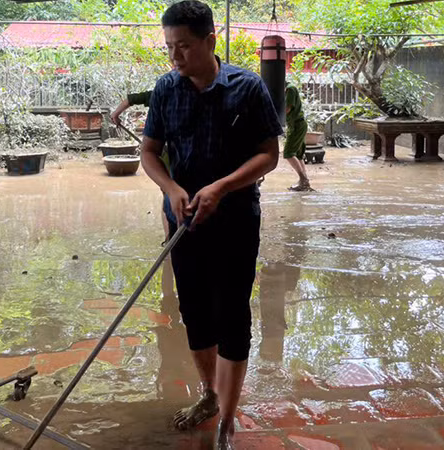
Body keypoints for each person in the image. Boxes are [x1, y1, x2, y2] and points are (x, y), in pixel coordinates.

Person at [140, 2, 282, 449]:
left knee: (232, 315)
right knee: (195, 313)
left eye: (183, 46)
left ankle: (228, 417)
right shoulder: (166, 88)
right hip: (184, 222)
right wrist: (170, 188)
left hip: (236, 220)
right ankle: (209, 395)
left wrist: (221, 187)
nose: (175, 57)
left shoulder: (248, 87)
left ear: (210, 41)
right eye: (169, 47)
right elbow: (149, 152)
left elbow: (268, 155)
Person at [111, 90, 173, 245]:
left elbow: (130, 99)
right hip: (166, 150)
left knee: (168, 191)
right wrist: (116, 114)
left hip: (166, 149)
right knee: (168, 191)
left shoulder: (162, 91)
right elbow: (131, 99)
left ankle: (170, 237)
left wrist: (116, 114)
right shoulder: (163, 92)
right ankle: (170, 237)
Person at [283, 82, 312, 191]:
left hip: (296, 125)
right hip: (298, 124)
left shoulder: (290, 89)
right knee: (298, 155)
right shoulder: (289, 88)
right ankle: (304, 182)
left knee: (288, 153)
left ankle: (303, 180)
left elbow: (287, 109)